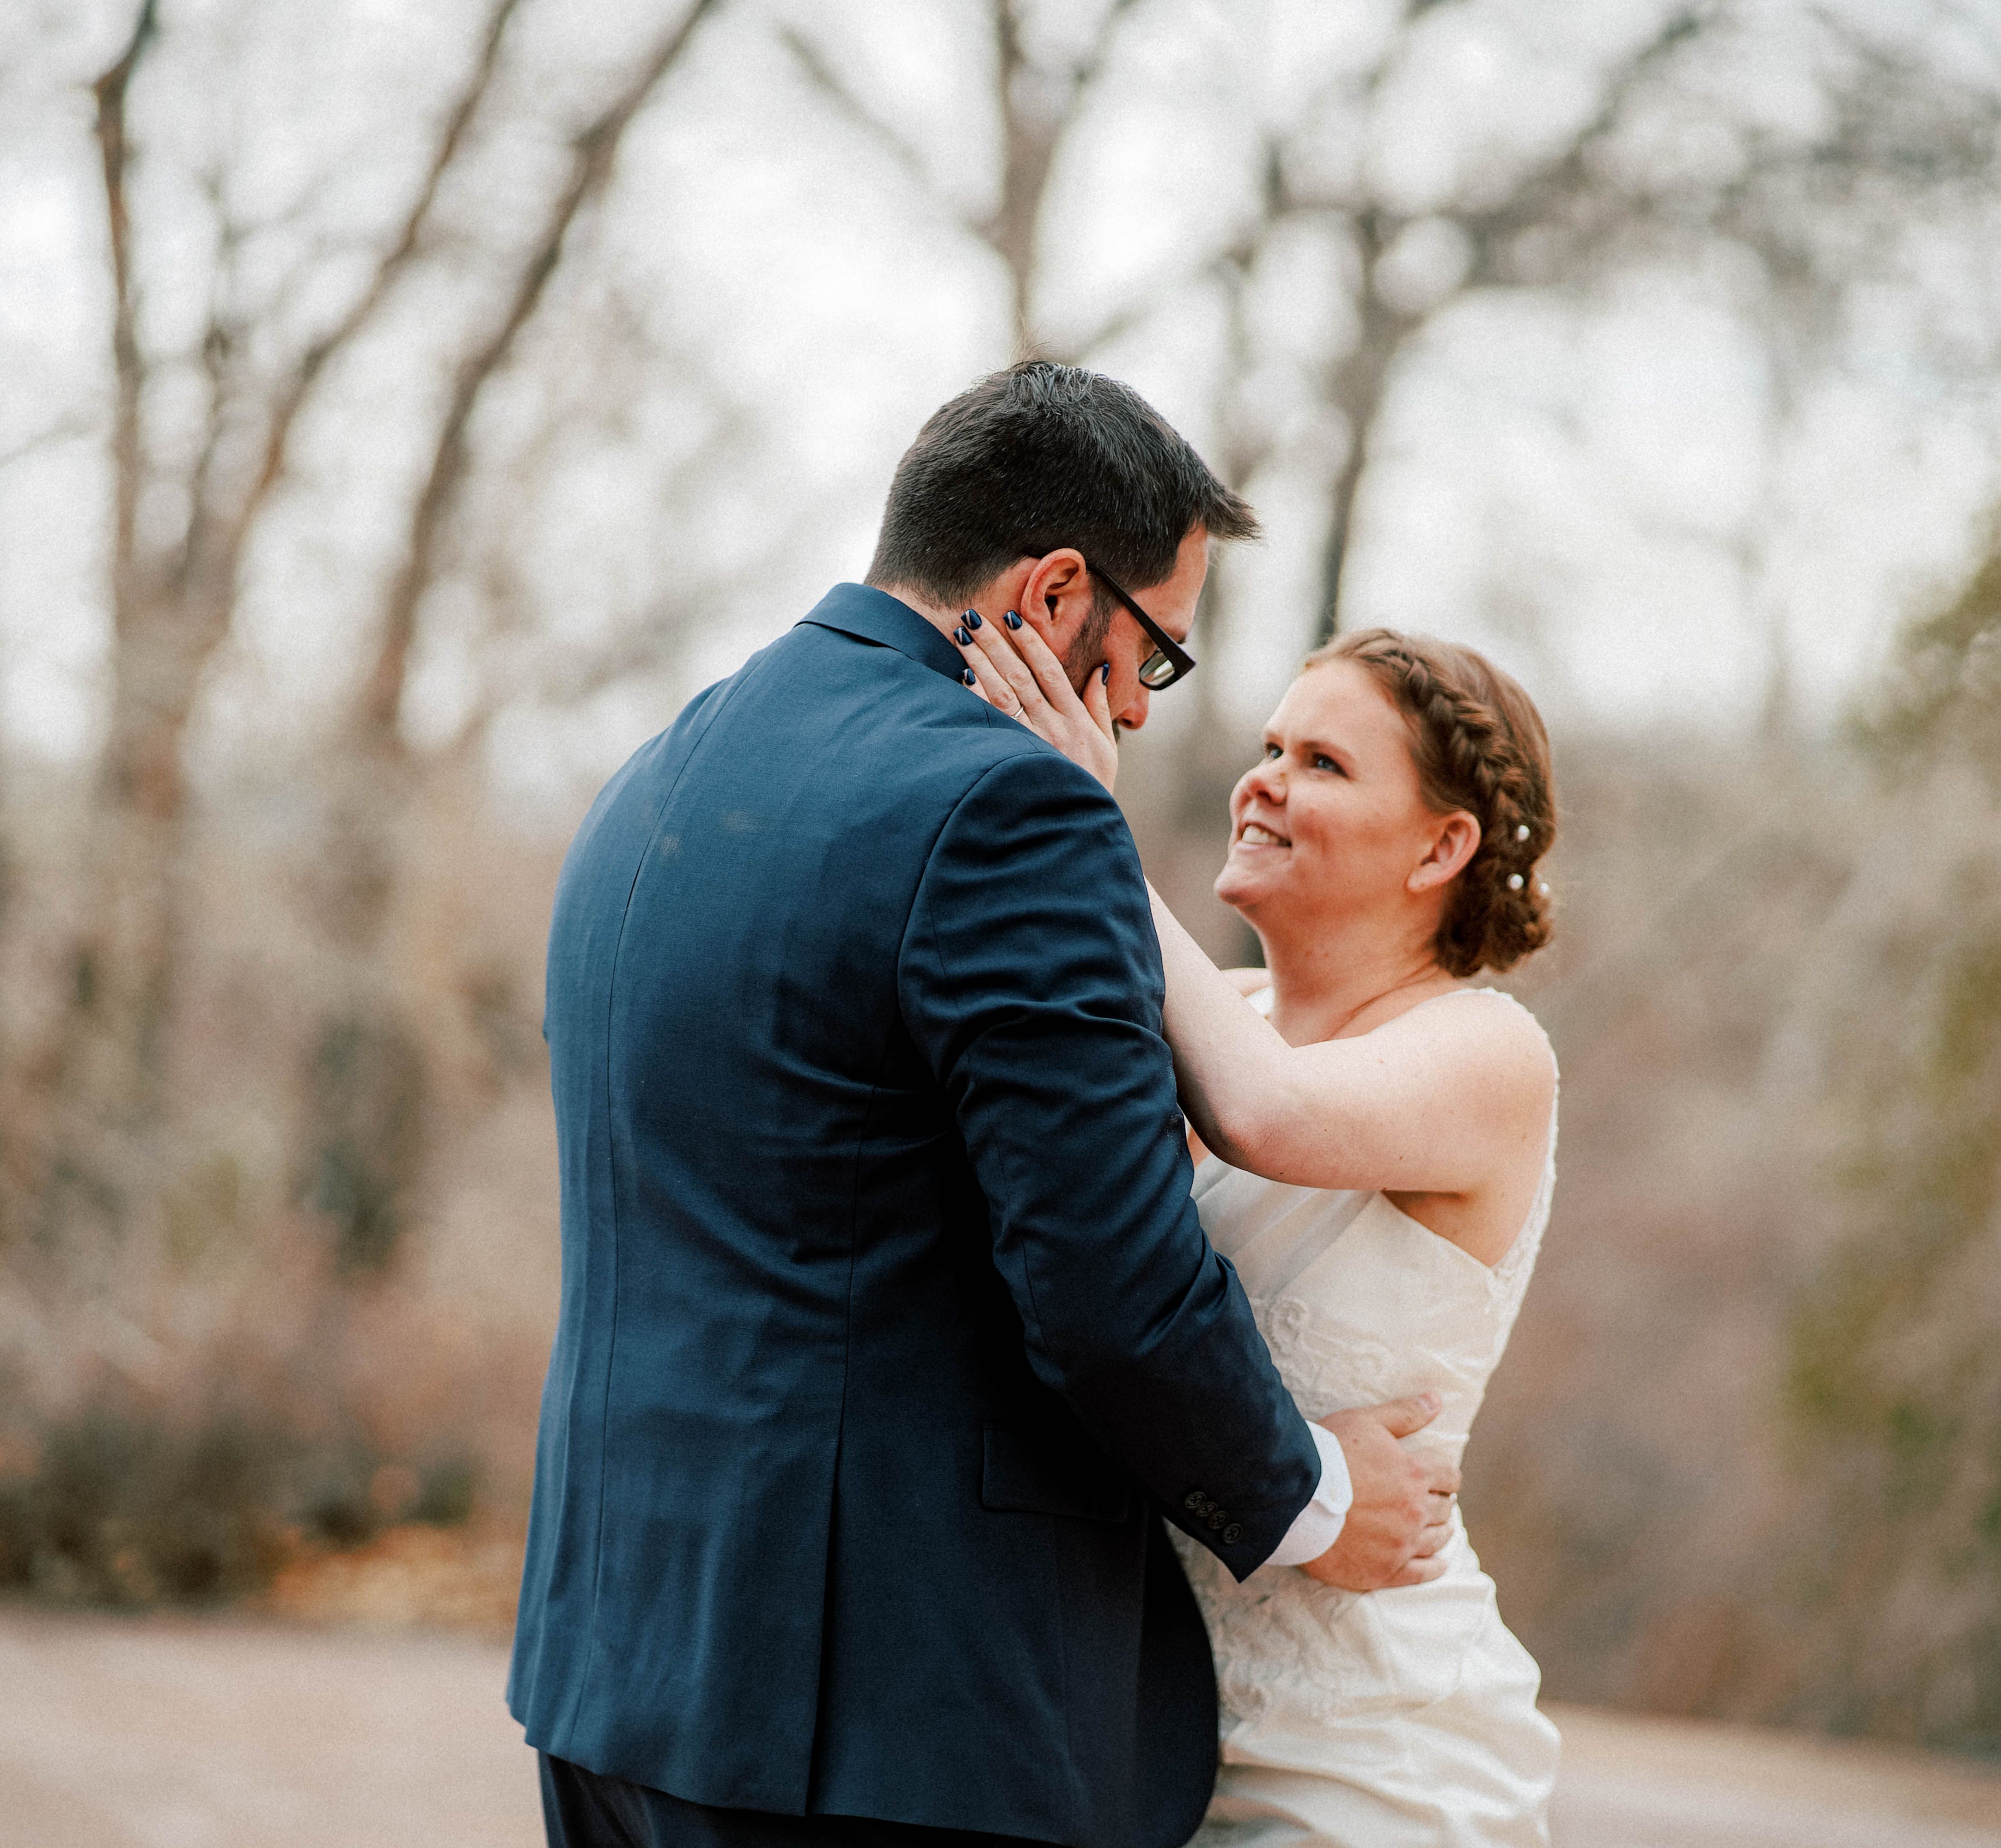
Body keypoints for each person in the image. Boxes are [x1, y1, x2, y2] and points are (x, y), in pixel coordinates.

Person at [512, 361, 1464, 1848]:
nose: (1136, 712)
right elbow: (1108, 1282)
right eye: (1155, 655)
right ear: (1057, 591)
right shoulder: (1011, 810)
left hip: (611, 1676)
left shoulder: (657, 773)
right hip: (885, 1722)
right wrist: (1315, 1504)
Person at [958, 612, 1565, 1844]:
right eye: (1271, 747)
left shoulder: (1489, 1052)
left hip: (1368, 1755)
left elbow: (1264, 1114)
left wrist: (1087, 834)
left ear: (1443, 845)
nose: (1264, 783)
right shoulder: (1217, 1012)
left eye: (1323, 764)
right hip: (1137, 1745)